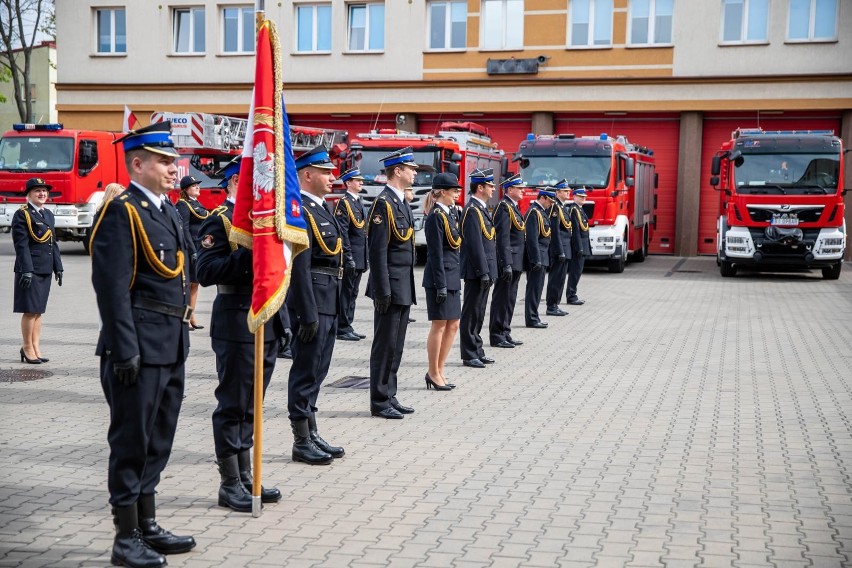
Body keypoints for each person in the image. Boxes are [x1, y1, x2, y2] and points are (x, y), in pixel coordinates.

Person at [89, 122, 195, 568]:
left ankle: (147, 523)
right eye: (164, 161)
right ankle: (125, 537)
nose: (174, 169)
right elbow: (111, 289)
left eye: (173, 161)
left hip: (169, 344)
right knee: (131, 441)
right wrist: (124, 348)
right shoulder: (122, 211)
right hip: (136, 348)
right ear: (138, 163)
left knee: (158, 439)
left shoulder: (167, 210)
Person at [195, 155, 286, 511]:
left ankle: (248, 476)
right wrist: (251, 254)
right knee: (233, 404)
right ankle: (229, 481)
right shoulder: (219, 221)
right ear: (236, 182)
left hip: (266, 319)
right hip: (235, 321)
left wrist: (286, 321)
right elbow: (205, 270)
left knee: (253, 405)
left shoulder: (265, 222)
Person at [287, 146, 347, 461]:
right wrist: (307, 312)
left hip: (329, 298)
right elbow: (299, 265)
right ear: (307, 175)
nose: (331, 176)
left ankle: (311, 430)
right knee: (306, 370)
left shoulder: (322, 208)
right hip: (312, 300)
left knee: (319, 370)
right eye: (325, 172)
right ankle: (300, 440)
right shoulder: (299, 210)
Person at [366, 147, 418, 419]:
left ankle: (390, 394)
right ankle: (379, 400)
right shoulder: (383, 203)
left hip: (402, 284)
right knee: (384, 344)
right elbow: (378, 251)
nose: (415, 172)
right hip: (389, 286)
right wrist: (382, 290)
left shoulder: (401, 202)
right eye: (410, 168)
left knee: (396, 345)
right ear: (397, 171)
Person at [12, 178, 63, 365]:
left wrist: (58, 266)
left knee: (38, 311)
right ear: (29, 194)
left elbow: (53, 243)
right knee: (30, 310)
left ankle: (35, 346)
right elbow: (21, 245)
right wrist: (26, 270)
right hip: (30, 269)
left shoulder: (48, 214)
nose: (42, 194)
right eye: (37, 191)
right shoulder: (22, 214)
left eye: (44, 191)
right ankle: (27, 347)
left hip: (45, 269)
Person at [422, 173, 463, 391]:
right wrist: (440, 284)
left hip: (452, 273)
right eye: (454, 190)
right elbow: (435, 254)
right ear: (443, 192)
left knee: (453, 324)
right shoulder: (436, 216)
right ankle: (432, 371)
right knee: (439, 325)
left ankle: (440, 369)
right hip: (440, 277)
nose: (457, 194)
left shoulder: (450, 214)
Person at [459, 168, 498, 369]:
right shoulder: (472, 210)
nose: (493, 188)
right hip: (476, 271)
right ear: (480, 187)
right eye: (490, 185)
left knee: (480, 312)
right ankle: (468, 353)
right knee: (471, 312)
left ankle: (477, 349)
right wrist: (483, 271)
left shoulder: (481, 208)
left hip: (485, 269)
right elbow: (475, 245)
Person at [489, 173, 526, 349]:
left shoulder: (513, 207)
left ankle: (505, 331)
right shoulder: (503, 207)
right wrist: (506, 263)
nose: (523, 191)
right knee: (502, 298)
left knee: (510, 298)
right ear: (510, 189)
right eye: (519, 188)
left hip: (516, 260)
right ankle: (497, 334)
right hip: (508, 260)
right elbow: (502, 238)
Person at [334, 167, 368, 342]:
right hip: (351, 256)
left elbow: (363, 232)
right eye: (357, 180)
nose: (361, 182)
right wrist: (347, 256)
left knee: (353, 292)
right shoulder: (344, 203)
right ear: (348, 183)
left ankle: (348, 324)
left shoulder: (357, 201)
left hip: (360, 255)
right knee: (346, 292)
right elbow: (343, 232)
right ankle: (341, 326)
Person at [176, 175, 210, 331]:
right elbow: (185, 229)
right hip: (192, 248)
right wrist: (192, 250)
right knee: (188, 285)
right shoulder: (183, 204)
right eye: (193, 185)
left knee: (195, 285)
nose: (197, 187)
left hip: (200, 247)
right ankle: (185, 318)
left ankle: (191, 316)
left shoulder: (196, 203)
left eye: (197, 185)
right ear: (186, 189)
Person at [524, 189, 555, 328]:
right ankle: (531, 318)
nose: (550, 204)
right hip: (537, 258)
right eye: (549, 200)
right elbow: (532, 239)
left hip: (543, 256)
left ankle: (534, 316)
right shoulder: (534, 212)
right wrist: (536, 259)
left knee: (538, 288)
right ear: (542, 198)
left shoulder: (541, 212)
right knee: (533, 289)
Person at [545, 180, 573, 317]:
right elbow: (555, 231)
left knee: (561, 279)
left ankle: (556, 304)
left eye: (568, 190)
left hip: (565, 248)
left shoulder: (563, 207)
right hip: (559, 249)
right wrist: (560, 250)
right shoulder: (555, 207)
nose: (568, 192)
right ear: (557, 192)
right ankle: (551, 305)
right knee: (556, 278)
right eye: (565, 190)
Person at [566, 187, 592, 306]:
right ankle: (571, 296)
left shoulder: (579, 209)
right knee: (575, 272)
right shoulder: (574, 210)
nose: (583, 198)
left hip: (583, 244)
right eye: (581, 196)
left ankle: (572, 294)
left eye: (584, 196)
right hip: (578, 246)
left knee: (578, 271)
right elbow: (575, 230)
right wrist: (579, 247)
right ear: (574, 197)